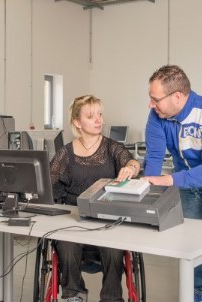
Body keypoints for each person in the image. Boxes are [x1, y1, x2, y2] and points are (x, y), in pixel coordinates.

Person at [50, 94, 140, 302]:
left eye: (99, 114)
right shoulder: (65, 154)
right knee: (67, 243)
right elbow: (50, 186)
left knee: (112, 245)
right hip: (74, 219)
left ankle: (111, 298)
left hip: (107, 217)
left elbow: (133, 163)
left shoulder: (111, 147)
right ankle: (74, 294)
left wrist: (129, 168)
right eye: (91, 116)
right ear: (77, 122)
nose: (99, 120)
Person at [143, 64, 202, 302]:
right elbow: (154, 158)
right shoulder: (158, 115)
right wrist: (147, 194)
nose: (150, 104)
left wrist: (169, 180)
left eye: (155, 99)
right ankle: (199, 295)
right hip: (185, 181)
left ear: (177, 96)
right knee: (191, 245)